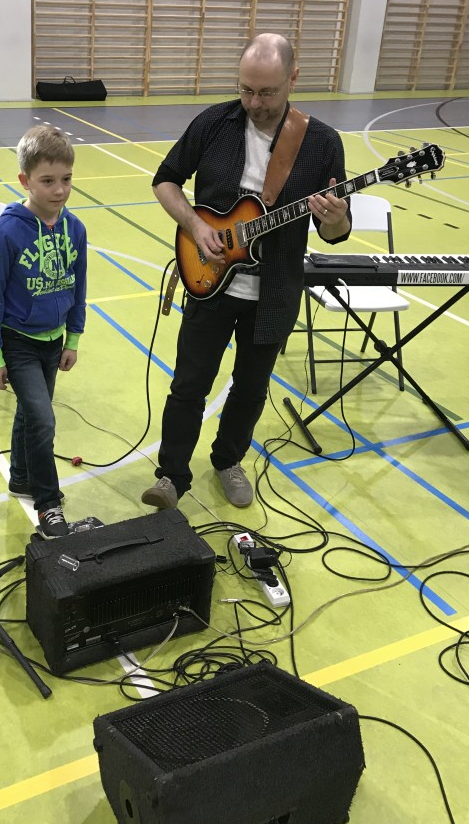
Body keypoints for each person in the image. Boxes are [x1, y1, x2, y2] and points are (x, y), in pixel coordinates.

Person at [141, 33, 351, 511]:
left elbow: (335, 232)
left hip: (275, 290)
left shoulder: (321, 143)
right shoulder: (214, 122)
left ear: (293, 79)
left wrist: (335, 217)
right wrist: (195, 225)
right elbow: (165, 180)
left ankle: (228, 460)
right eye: (246, 90)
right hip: (209, 281)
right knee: (189, 385)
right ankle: (172, 475)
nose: (254, 103)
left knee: (251, 389)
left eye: (267, 93)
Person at [0, 125, 87, 540]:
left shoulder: (75, 229)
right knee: (42, 420)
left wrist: (72, 338)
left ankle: (21, 477)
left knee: (30, 413)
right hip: (17, 341)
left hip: (54, 341)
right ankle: (48, 502)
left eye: (66, 179)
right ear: (25, 181)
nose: (59, 190)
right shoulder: (6, 232)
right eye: (48, 181)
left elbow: (78, 287)